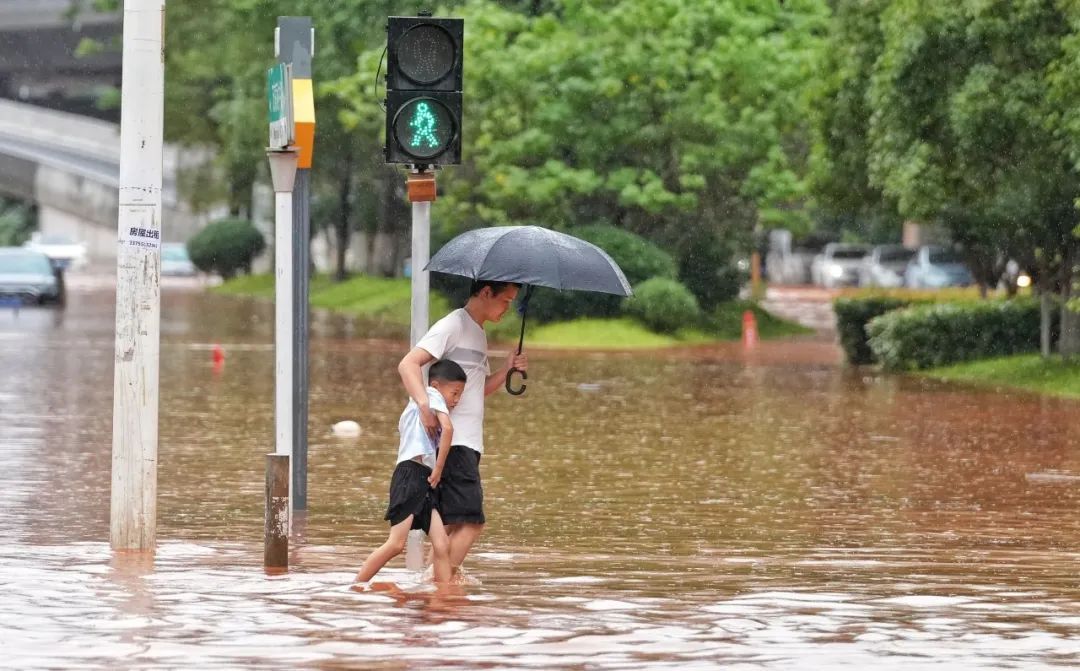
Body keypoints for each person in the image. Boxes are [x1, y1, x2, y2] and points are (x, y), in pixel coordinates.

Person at [397, 280, 528, 580]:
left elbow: (476, 391)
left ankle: (434, 593)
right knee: (472, 521)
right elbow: (408, 364)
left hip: (467, 443)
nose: (508, 308)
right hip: (455, 442)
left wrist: (508, 369)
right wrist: (424, 405)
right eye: (505, 300)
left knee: (452, 525)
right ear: (485, 293)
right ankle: (438, 584)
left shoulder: (478, 332)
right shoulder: (454, 324)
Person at [355, 359, 467, 585]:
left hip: (423, 477)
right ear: (436, 385)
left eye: (459, 395)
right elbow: (448, 428)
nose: (456, 401)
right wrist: (439, 468)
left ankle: (443, 597)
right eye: (454, 393)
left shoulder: (421, 403)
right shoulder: (431, 395)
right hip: (411, 474)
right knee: (396, 544)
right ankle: (356, 585)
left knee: (441, 544)